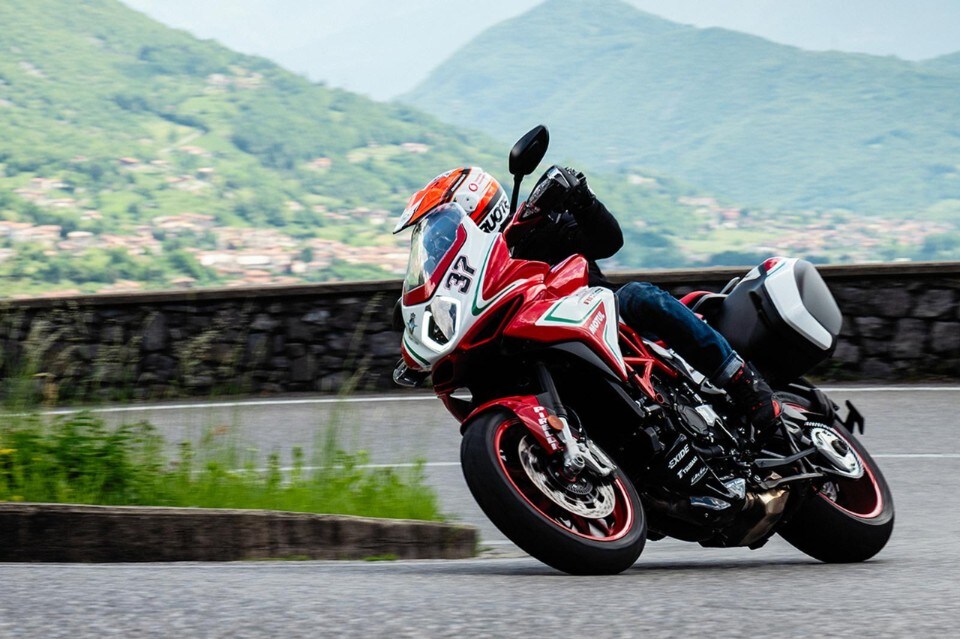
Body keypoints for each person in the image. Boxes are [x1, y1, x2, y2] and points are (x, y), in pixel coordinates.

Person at [393, 165, 782, 446]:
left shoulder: (537, 225)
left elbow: (608, 241)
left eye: (444, 232)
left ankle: (742, 381)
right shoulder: (471, 276)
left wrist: (581, 199)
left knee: (638, 296)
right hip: (534, 343)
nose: (441, 244)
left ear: (473, 207)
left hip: (603, 320)